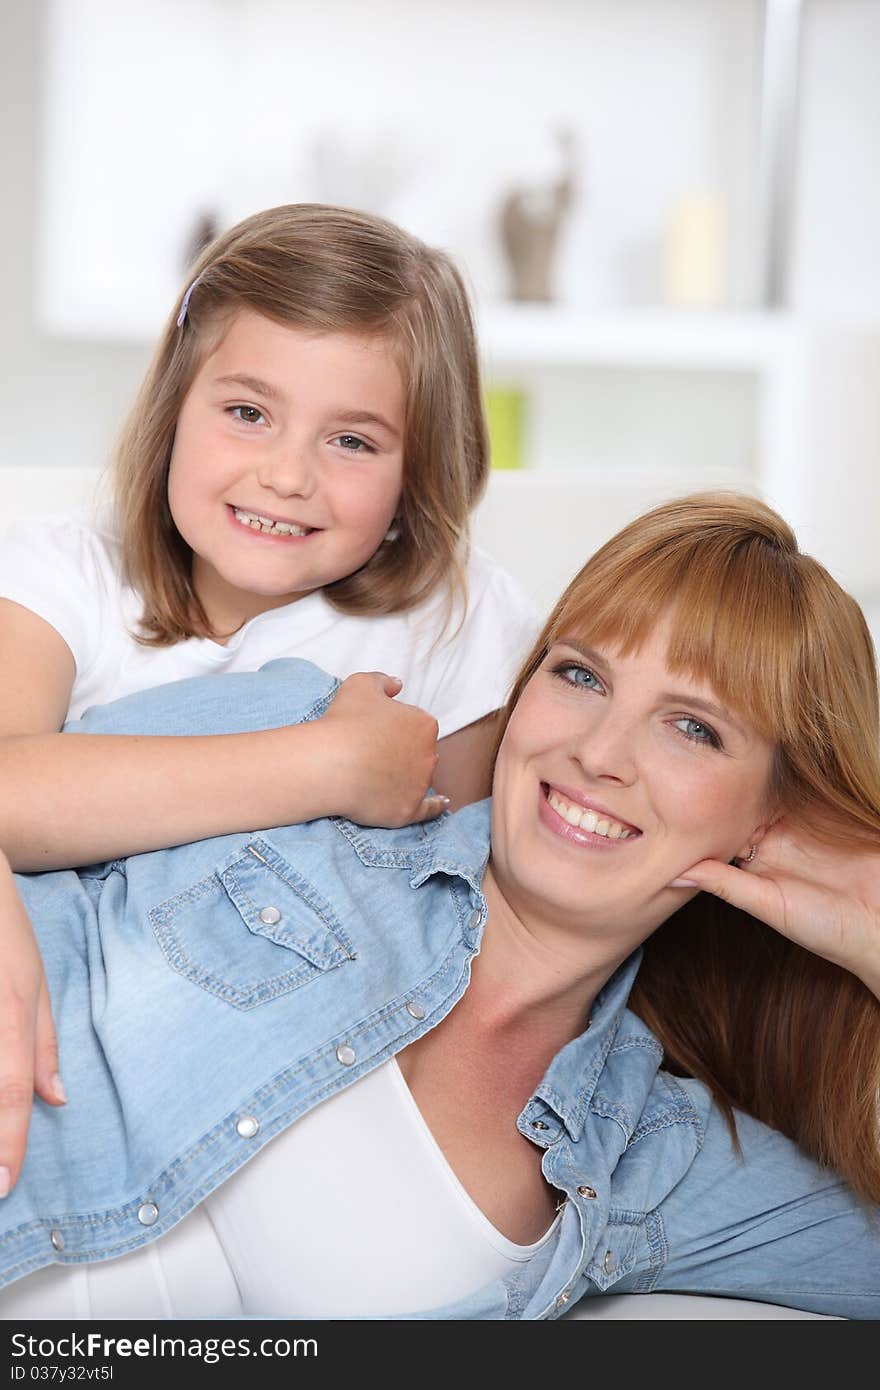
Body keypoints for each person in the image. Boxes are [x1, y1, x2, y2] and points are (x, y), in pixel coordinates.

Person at [0, 491, 879, 1319]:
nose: (599, 753)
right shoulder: (310, 747)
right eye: (580, 676)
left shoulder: (654, 1154)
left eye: (694, 728)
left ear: (773, 817)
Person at [0, 204, 539, 1194]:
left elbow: (468, 920)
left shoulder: (453, 624)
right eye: (247, 412)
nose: (287, 475)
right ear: (175, 406)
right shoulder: (58, 574)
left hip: (291, 1082)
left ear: (418, 471)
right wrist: (329, 764)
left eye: (353, 441)